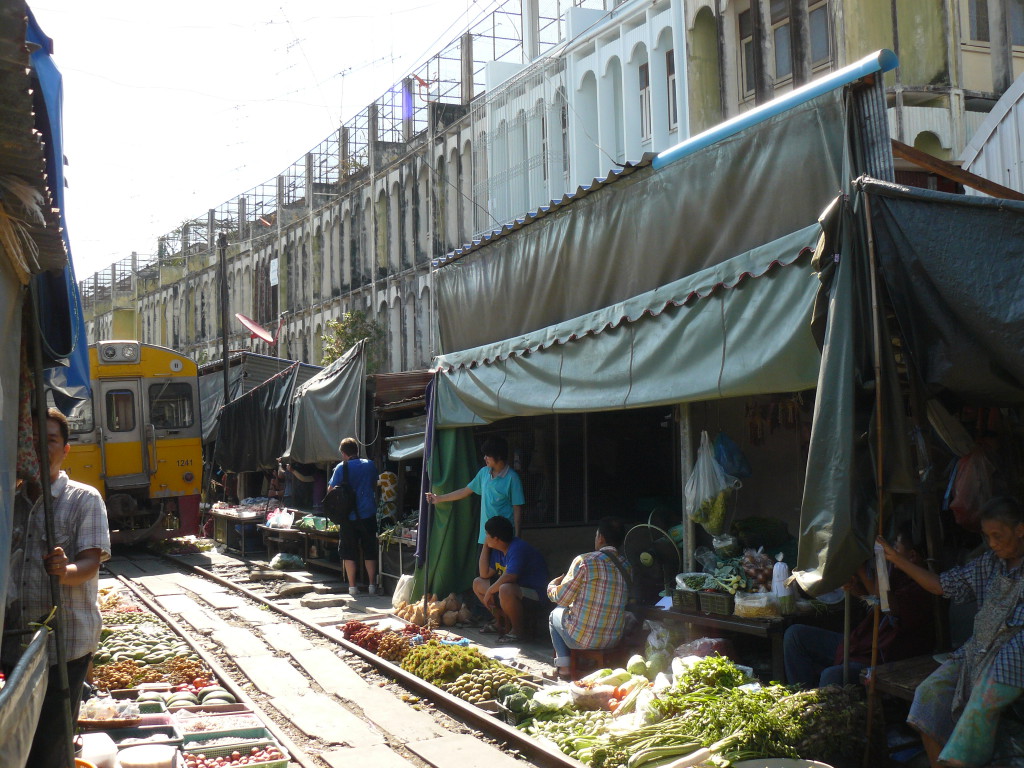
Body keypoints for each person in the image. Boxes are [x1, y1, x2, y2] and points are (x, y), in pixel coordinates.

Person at [880, 497, 1024, 768]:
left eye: (998, 535)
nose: (992, 543)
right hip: (979, 648)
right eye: (987, 536)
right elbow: (940, 586)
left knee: (985, 698)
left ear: (1020, 529)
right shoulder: (990, 563)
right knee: (929, 695)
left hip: (1015, 652)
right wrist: (896, 559)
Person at [19, 408, 111, 767]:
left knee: (51, 742)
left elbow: (90, 563)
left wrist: (64, 570)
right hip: (17, 640)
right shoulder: (11, 500)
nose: (43, 448)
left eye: (51, 440)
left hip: (66, 642)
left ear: (66, 449)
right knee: (22, 738)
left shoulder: (84, 499)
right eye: (34, 441)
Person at [783, 524, 934, 688]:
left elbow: (886, 607)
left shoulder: (923, 588)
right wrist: (857, 590)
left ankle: (821, 710)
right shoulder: (897, 574)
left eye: (896, 546)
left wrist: (868, 567)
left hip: (881, 655)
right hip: (861, 643)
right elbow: (875, 604)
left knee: (833, 674)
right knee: (795, 635)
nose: (892, 550)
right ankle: (800, 698)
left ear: (912, 556)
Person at [547, 516, 632, 679]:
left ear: (600, 538)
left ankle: (564, 668)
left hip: (581, 639)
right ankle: (586, 663)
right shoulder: (627, 567)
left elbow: (562, 599)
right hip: (613, 639)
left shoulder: (585, 561)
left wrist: (551, 587)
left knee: (555, 614)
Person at [424, 436, 524, 562]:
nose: (484, 458)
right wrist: (439, 498)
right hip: (485, 538)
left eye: (488, 455)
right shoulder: (483, 473)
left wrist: (517, 538)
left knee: (500, 577)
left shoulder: (512, 478)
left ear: (498, 456)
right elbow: (465, 491)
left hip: (503, 540)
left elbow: (517, 509)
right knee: (481, 576)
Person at [472, 515, 550, 643]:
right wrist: (485, 547)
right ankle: (500, 622)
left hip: (535, 594)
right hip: (514, 591)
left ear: (496, 538)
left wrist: (491, 591)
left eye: (487, 535)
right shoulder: (498, 549)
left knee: (505, 589)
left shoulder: (517, 548)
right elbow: (484, 574)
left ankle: (517, 631)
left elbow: (511, 576)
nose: (485, 538)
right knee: (478, 583)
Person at [328, 437, 378, 596]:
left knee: (349, 551)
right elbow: (374, 484)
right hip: (368, 514)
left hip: (348, 517)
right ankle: (372, 586)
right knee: (369, 549)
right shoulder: (370, 465)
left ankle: (352, 587)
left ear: (343, 453)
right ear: (357, 450)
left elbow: (330, 491)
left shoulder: (341, 468)